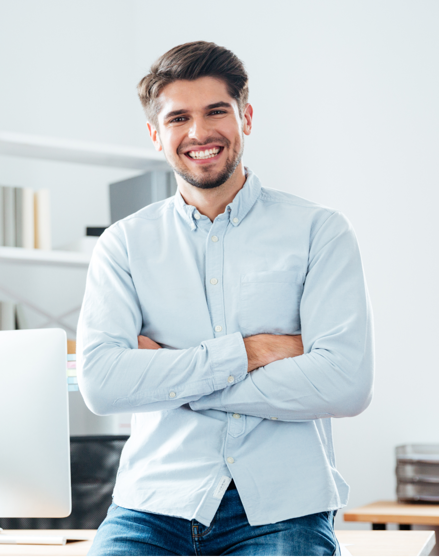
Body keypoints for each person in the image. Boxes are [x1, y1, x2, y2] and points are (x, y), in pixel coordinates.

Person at [76, 41, 374, 557]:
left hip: (283, 509)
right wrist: (251, 352)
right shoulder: (123, 245)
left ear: (247, 117)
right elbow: (102, 384)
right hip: (151, 507)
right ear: (155, 135)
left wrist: (169, 376)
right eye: (178, 119)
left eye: (217, 111)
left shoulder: (320, 232)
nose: (199, 133)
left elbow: (345, 384)